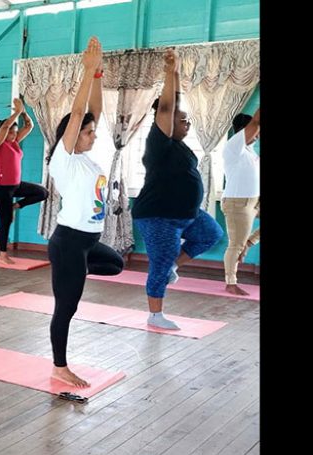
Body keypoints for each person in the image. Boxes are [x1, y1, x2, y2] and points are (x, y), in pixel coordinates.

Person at [45, 37, 124, 388]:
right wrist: (86, 70)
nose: (93, 135)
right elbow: (78, 114)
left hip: (89, 244)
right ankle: (59, 366)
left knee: (117, 264)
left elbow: (94, 111)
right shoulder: (64, 160)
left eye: (93, 132)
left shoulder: (88, 159)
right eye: (88, 133)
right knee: (67, 307)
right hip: (69, 241)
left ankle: (72, 273)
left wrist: (99, 75)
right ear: (72, 136)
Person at [131, 49, 223, 330]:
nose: (187, 123)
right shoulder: (159, 142)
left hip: (187, 213)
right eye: (183, 120)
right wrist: (172, 74)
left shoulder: (180, 146)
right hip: (159, 216)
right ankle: (155, 315)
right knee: (159, 262)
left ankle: (174, 265)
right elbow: (168, 107)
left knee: (212, 234)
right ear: (166, 122)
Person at [0, 97, 47, 264]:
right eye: (11, 132)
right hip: (1, 188)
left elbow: (29, 126)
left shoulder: (14, 143)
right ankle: (2, 254)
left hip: (15, 186)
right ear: (2, 132)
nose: (14, 134)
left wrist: (23, 113)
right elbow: (6, 126)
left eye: (15, 132)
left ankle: (16, 206)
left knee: (42, 192)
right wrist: (16, 112)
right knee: (5, 221)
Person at [221, 107, 260, 295]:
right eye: (256, 132)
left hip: (253, 201)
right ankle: (231, 283)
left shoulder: (251, 152)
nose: (258, 135)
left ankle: (248, 243)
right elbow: (255, 123)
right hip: (238, 203)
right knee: (235, 244)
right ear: (242, 131)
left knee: (241, 244)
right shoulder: (234, 146)